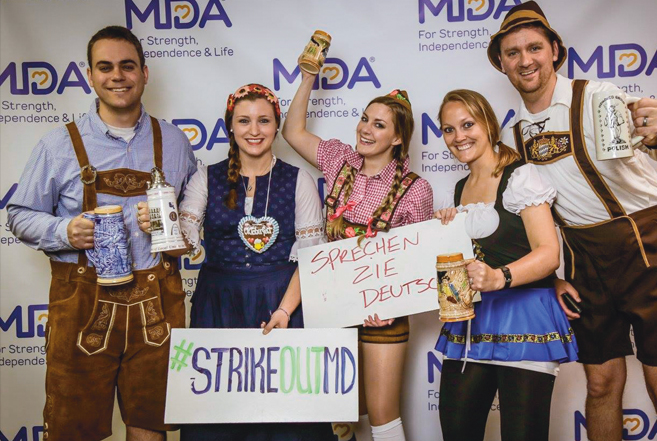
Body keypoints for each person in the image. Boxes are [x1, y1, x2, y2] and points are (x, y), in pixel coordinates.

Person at [489, 0, 657, 441]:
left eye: (534, 48)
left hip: (648, 244)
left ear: (554, 51)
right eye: (513, 53)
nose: (525, 60)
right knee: (601, 384)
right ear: (502, 64)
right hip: (585, 260)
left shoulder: (598, 96)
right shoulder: (513, 136)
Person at [7, 26, 197, 441]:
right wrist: (64, 230)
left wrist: (171, 229)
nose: (117, 76)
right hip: (82, 304)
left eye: (127, 66)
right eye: (105, 67)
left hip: (157, 305)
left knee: (150, 426)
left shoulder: (176, 142)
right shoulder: (58, 145)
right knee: (74, 431)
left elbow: (195, 220)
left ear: (145, 73)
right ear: (90, 76)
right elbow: (18, 214)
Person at [136, 83, 333, 441]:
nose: (254, 131)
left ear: (276, 126)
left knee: (288, 419)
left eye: (264, 121)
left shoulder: (298, 179)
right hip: (218, 306)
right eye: (244, 121)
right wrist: (159, 228)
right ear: (230, 126)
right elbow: (185, 243)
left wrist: (286, 311)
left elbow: (311, 258)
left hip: (282, 302)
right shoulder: (206, 177)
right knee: (217, 418)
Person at [282, 72, 433, 441]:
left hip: (383, 314)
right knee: (335, 416)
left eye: (379, 125)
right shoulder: (339, 161)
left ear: (397, 138)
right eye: (365, 118)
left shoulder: (416, 190)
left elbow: (419, 260)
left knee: (382, 414)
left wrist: (394, 305)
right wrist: (307, 78)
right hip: (332, 307)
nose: (365, 129)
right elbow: (293, 132)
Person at [433, 89, 578, 441]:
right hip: (472, 324)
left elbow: (548, 253)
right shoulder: (459, 188)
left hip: (525, 317)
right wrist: (447, 236)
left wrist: (500, 277)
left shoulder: (521, 176)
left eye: (467, 125)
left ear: (488, 124)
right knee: (457, 432)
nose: (459, 137)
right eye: (449, 130)